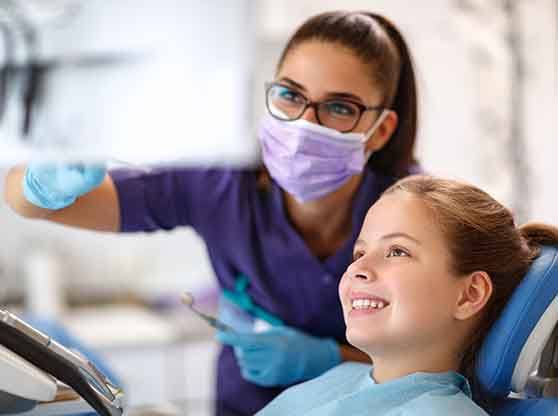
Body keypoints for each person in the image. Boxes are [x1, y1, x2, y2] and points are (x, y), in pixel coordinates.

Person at [3, 11, 419, 416]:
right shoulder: (219, 183)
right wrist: (42, 182)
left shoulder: (417, 213)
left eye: (339, 108)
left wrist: (336, 360)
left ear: (380, 130)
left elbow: (447, 361)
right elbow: (25, 201)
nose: (305, 124)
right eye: (290, 95)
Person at [251, 175, 558, 415]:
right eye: (359, 252)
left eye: (397, 251)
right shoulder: (341, 379)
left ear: (469, 295)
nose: (359, 268)